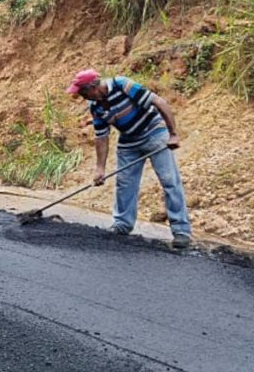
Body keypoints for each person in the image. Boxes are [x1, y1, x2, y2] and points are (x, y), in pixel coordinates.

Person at [67, 68, 192, 248]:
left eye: (82, 92)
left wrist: (172, 134)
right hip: (129, 141)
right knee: (124, 183)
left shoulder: (122, 85)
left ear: (92, 87)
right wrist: (100, 168)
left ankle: (181, 231)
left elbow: (159, 102)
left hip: (154, 133)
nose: (82, 97)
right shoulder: (96, 107)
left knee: (169, 180)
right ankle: (122, 225)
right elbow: (101, 137)